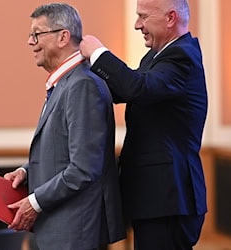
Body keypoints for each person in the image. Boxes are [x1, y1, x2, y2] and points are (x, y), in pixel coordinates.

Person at [80, 0, 208, 249]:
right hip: (154, 196)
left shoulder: (182, 56)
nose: (137, 25)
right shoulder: (156, 56)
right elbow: (124, 89)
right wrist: (78, 71)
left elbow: (137, 88)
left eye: (143, 17)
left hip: (170, 198)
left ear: (170, 18)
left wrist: (98, 53)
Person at [4, 3, 126, 250]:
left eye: (37, 34)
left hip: (74, 228)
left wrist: (35, 202)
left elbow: (83, 168)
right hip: (61, 226)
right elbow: (62, 150)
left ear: (63, 37)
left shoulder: (82, 85)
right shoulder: (65, 84)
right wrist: (28, 172)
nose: (30, 42)